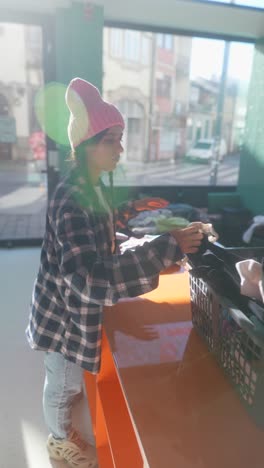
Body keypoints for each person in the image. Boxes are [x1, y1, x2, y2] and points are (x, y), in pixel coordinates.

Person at [26, 77, 204, 468]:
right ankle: (59, 440)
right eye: (111, 140)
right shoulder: (72, 198)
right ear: (85, 146)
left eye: (120, 139)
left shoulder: (92, 188)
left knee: (70, 379)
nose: (120, 149)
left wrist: (144, 227)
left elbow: (102, 236)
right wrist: (165, 249)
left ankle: (63, 426)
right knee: (63, 383)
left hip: (76, 311)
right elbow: (89, 278)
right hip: (63, 318)